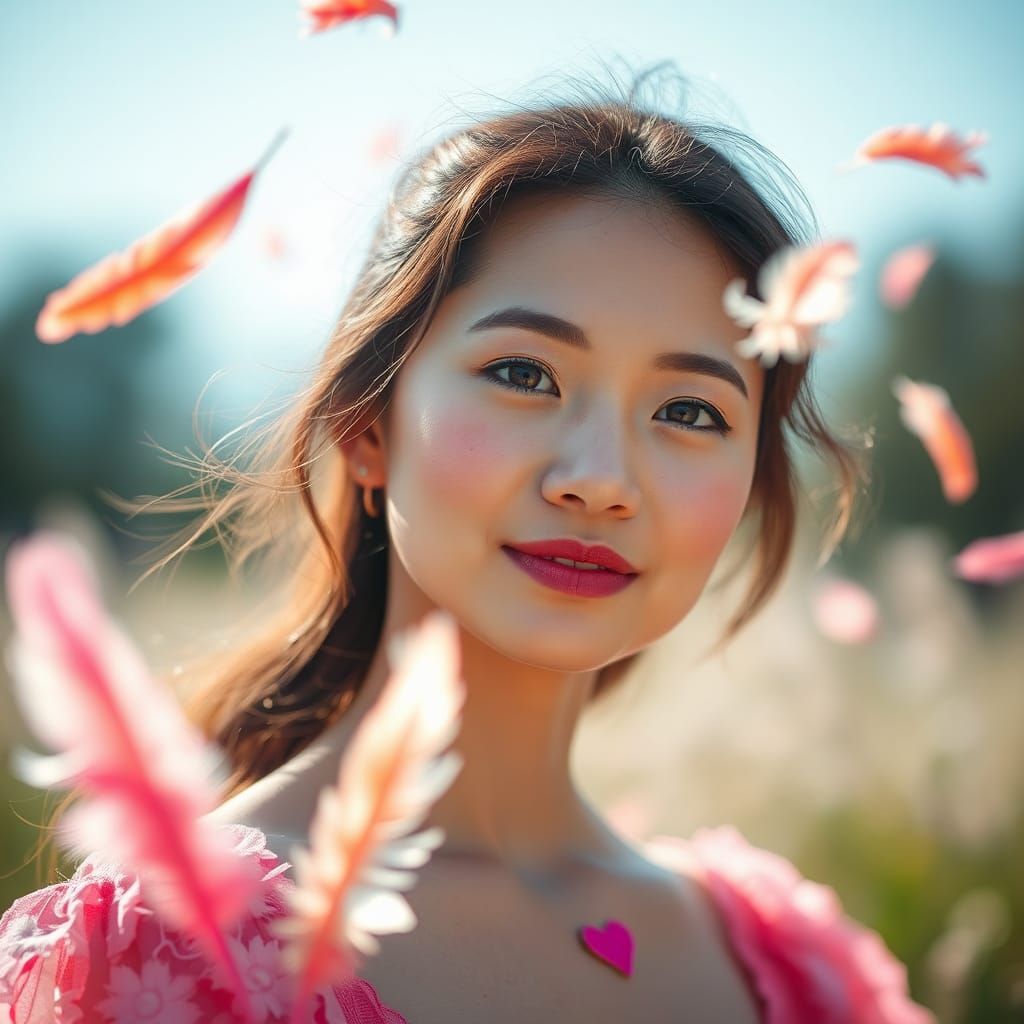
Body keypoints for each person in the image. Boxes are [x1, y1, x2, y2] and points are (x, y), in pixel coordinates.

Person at [1, 68, 935, 1023]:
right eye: (524, 373)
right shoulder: (173, 950)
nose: (602, 479)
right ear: (369, 427)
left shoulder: (787, 969)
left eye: (690, 410)